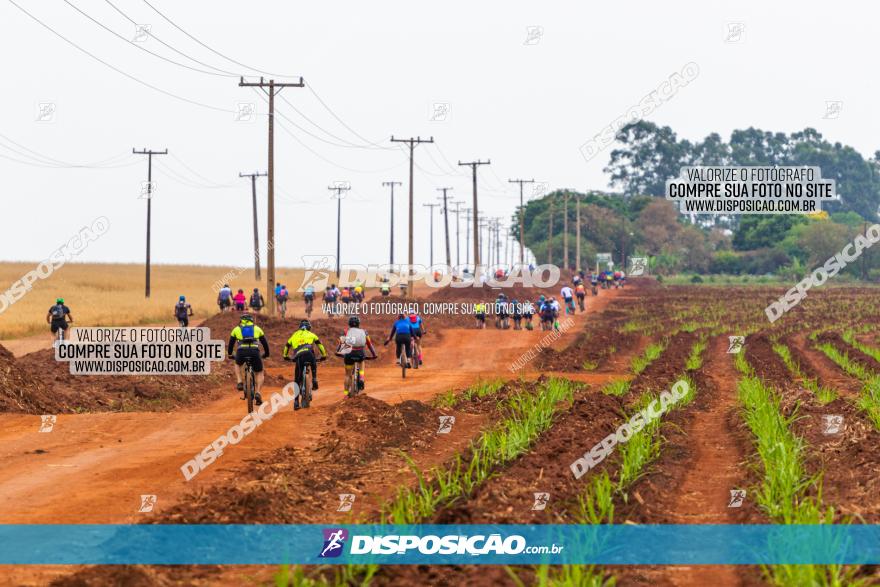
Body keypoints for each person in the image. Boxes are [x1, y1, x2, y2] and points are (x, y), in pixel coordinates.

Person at [282, 319, 327, 410]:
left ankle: (296, 402)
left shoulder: (294, 335)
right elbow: (320, 345)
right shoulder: (312, 334)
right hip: (309, 355)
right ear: (309, 328)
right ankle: (314, 379)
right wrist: (324, 355)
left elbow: (287, 346)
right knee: (313, 361)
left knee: (297, 380)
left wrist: (285, 356)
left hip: (299, 357)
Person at [227, 314, 269, 406]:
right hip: (254, 352)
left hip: (241, 352)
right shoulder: (257, 329)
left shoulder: (236, 329)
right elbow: (265, 344)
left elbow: (230, 344)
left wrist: (230, 354)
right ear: (252, 320)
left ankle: (239, 382)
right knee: (260, 372)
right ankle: (258, 392)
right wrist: (266, 354)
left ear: (241, 321)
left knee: (237, 364)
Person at [337, 315, 378, 396]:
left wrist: (338, 352)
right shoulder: (364, 332)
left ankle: (345, 394)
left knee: (348, 375)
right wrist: (374, 354)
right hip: (360, 354)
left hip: (348, 354)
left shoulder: (345, 331)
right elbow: (369, 345)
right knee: (362, 361)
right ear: (359, 324)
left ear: (349, 324)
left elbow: (341, 344)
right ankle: (362, 378)